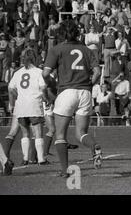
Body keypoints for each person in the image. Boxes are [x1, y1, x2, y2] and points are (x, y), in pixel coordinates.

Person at [42, 20, 102, 178]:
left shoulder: (57, 49)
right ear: (77, 33)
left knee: (60, 135)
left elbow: (45, 74)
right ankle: (94, 146)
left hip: (66, 92)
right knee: (81, 133)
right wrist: (89, 85)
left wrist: (53, 86)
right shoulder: (87, 50)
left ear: (61, 34)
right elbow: (97, 72)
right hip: (85, 93)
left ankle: (65, 170)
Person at [8, 49, 50, 166]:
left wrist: (12, 103)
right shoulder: (38, 72)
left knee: (25, 133)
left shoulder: (17, 73)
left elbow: (11, 89)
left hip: (21, 106)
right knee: (38, 133)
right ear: (34, 58)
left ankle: (25, 159)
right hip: (34, 105)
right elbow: (43, 88)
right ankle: (41, 159)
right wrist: (46, 99)